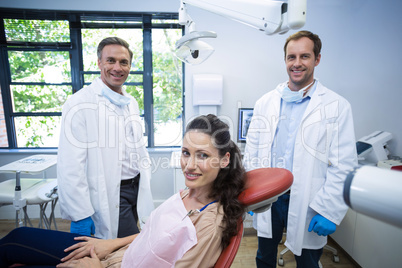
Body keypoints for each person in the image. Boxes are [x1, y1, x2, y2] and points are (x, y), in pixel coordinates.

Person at [0, 114, 246, 268]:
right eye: (185, 153)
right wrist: (111, 244)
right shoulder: (188, 194)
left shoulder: (209, 225)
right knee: (17, 237)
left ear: (225, 160)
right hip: (116, 252)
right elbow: (153, 234)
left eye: (202, 155)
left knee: (15, 256)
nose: (189, 165)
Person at [244, 30, 357, 268]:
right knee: (264, 257)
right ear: (285, 60)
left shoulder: (337, 106)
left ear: (317, 59)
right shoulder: (265, 102)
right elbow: (252, 152)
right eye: (291, 57)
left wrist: (329, 210)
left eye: (304, 56)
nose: (297, 63)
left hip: (309, 200)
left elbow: (344, 165)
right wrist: (251, 192)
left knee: (307, 262)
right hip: (269, 197)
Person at [57, 37, 154, 239]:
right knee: (128, 247)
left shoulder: (131, 102)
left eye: (124, 62)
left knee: (132, 240)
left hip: (136, 187)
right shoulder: (79, 103)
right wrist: (79, 213)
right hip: (111, 193)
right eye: (111, 60)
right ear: (99, 62)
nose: (117, 68)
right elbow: (70, 165)